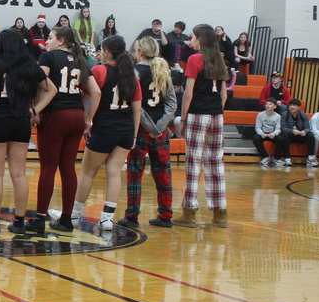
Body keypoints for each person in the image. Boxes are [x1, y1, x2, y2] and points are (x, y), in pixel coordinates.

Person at [50, 35, 141, 232]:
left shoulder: (99, 70)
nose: (99, 53)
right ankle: (107, 219)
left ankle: (73, 215)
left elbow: (89, 95)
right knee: (114, 173)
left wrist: (87, 120)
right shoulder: (131, 75)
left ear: (107, 52)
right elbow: (137, 108)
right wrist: (133, 133)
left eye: (101, 50)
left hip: (104, 129)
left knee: (87, 173)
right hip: (125, 131)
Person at [0, 28, 56, 235]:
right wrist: (35, 110)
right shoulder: (29, 64)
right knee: (19, 174)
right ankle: (19, 222)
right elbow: (52, 89)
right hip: (20, 120)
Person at [32, 25, 100, 232]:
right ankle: (67, 219)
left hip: (55, 115)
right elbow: (96, 92)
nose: (47, 42)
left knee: (48, 167)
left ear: (61, 41)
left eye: (50, 38)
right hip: (77, 116)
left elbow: (38, 81)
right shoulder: (82, 61)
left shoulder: (48, 57)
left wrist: (34, 109)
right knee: (68, 168)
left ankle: (39, 218)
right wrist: (88, 117)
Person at [172, 24, 229, 229]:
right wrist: (216, 110)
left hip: (198, 114)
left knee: (194, 163)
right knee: (216, 163)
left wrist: (184, 118)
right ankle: (220, 213)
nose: (191, 40)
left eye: (193, 36)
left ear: (200, 39)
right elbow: (224, 95)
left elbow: (188, 93)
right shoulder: (219, 60)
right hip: (217, 115)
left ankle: (189, 211)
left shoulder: (195, 59)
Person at [120, 36, 176, 229]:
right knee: (163, 173)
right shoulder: (163, 70)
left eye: (136, 50)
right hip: (160, 131)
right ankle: (166, 214)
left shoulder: (135, 72)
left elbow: (137, 105)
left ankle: (132, 215)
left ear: (141, 53)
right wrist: (160, 127)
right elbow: (172, 104)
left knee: (135, 172)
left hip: (141, 128)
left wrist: (151, 126)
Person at [278, 99, 312, 167]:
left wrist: (304, 131)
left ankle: (310, 158)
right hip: (290, 135)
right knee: (284, 135)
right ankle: (287, 158)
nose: (292, 107)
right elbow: (282, 128)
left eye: (294, 105)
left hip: (300, 135)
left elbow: (307, 127)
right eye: (291, 105)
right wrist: (292, 131)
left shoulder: (303, 115)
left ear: (299, 107)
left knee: (311, 136)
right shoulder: (285, 114)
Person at [252, 98, 283, 166]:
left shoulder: (278, 116)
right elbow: (258, 127)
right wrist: (262, 134)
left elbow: (278, 129)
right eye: (267, 104)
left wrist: (274, 134)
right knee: (255, 139)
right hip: (263, 133)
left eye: (270, 104)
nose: (268, 106)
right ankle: (265, 156)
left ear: (275, 106)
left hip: (272, 133)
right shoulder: (260, 115)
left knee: (280, 139)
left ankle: (276, 158)